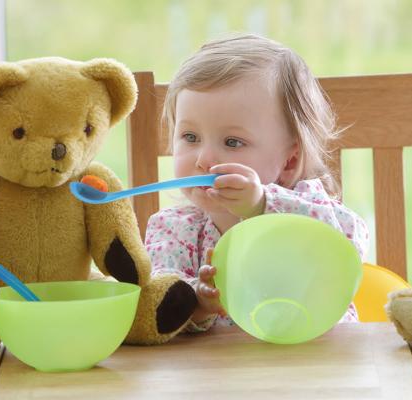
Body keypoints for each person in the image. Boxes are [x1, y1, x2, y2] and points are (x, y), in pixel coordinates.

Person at [145, 33, 369, 331]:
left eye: (233, 142)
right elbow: (156, 308)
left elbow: (348, 247)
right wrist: (196, 303)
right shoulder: (172, 229)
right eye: (190, 137)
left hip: (318, 364)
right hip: (217, 374)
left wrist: (262, 206)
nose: (204, 159)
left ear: (288, 161)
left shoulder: (308, 206)